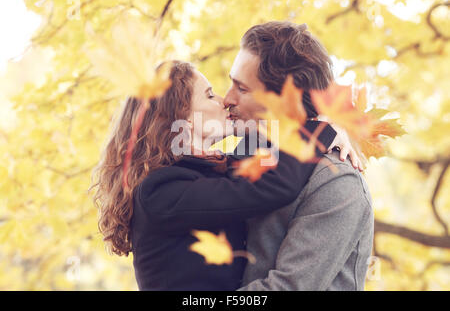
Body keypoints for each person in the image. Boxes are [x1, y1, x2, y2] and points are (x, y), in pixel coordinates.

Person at [90, 60, 356, 290]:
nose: (224, 102)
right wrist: (320, 131)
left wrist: (322, 128)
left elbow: (256, 159)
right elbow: (269, 188)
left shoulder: (201, 173)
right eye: (209, 95)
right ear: (182, 116)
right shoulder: (161, 191)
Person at [222, 21, 374, 290]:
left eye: (242, 89)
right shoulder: (245, 156)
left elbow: (288, 288)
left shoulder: (335, 183)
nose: (226, 99)